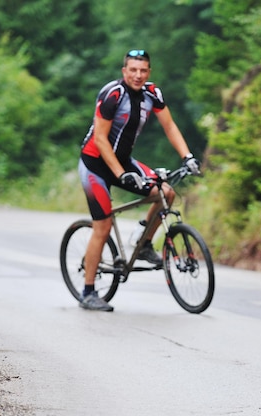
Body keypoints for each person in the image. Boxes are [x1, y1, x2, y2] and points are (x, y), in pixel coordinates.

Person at [78, 49, 200, 312]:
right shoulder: (112, 94)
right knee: (103, 225)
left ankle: (144, 242)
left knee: (165, 193)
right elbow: (100, 139)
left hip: (123, 161)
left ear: (149, 72)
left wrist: (187, 156)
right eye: (133, 70)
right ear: (124, 71)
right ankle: (88, 292)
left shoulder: (152, 94)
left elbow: (170, 127)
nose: (138, 75)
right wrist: (121, 174)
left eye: (143, 70)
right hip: (95, 164)